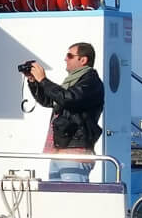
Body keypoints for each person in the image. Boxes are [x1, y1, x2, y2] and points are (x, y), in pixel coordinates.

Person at [27, 43, 105, 181]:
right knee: (58, 198)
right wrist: (34, 82)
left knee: (74, 198)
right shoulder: (72, 82)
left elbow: (68, 99)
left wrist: (43, 80)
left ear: (83, 60)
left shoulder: (91, 82)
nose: (65, 59)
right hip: (60, 150)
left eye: (69, 55)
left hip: (75, 152)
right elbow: (49, 101)